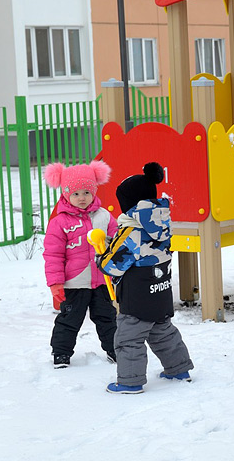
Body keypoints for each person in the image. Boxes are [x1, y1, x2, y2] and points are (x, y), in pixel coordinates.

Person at [98, 162, 195, 394]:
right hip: (159, 291)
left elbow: (111, 266)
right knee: (163, 331)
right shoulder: (162, 226)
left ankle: (130, 382)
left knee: (128, 338)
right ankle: (178, 368)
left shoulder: (131, 231)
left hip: (137, 296)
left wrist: (101, 255)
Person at [42, 160, 118, 368]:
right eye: (75, 194)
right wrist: (56, 283)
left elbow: (117, 242)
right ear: (66, 194)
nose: (82, 198)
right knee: (69, 319)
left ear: (94, 190)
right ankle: (61, 353)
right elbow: (53, 254)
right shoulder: (60, 222)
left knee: (107, 317)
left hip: (102, 280)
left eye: (86, 192)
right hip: (74, 283)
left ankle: (115, 349)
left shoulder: (104, 217)